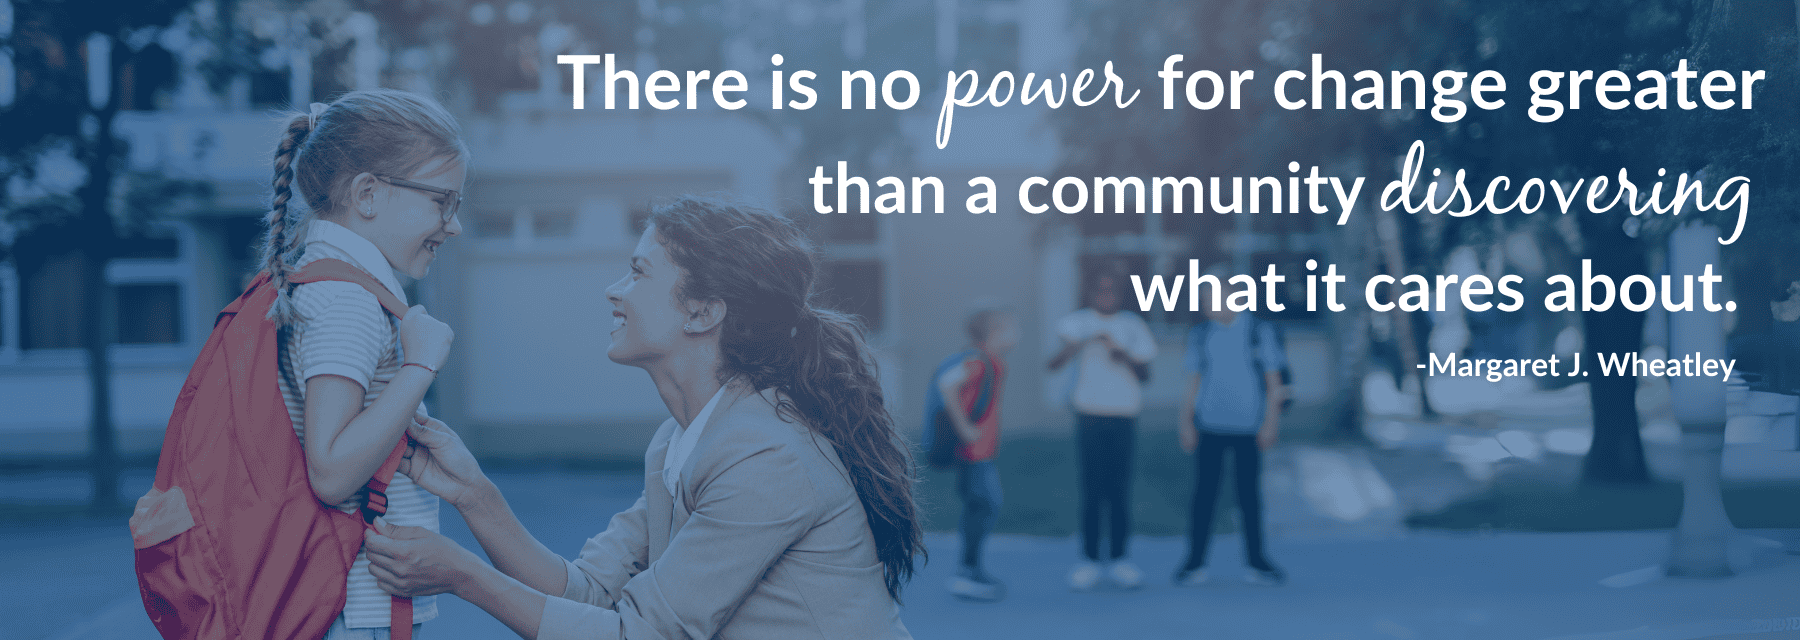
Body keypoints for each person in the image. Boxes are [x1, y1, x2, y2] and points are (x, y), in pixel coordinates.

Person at [361, 198, 922, 640]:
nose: (615, 291)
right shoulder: (683, 441)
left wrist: (463, 576)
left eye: (637, 273)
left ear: (703, 312)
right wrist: (474, 494)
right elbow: (587, 594)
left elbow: (639, 634)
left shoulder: (766, 456)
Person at [263, 89, 466, 639]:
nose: (453, 226)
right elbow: (330, 471)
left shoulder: (323, 281)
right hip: (356, 611)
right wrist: (420, 365)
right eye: (441, 202)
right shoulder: (346, 301)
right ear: (368, 194)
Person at [1048, 266, 1155, 591]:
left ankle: (1121, 559)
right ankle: (1090, 560)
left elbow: (1146, 375)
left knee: (1120, 488)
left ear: (1119, 294)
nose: (1106, 295)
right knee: (1092, 488)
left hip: (1123, 415)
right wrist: (1081, 343)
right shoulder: (1076, 323)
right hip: (1089, 414)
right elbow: (1053, 364)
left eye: (1112, 290)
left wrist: (1123, 355)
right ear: (1092, 293)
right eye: (1100, 289)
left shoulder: (1132, 326)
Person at [1175, 298, 1288, 588]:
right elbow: (1193, 382)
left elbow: (1274, 382)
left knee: (1249, 497)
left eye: (1211, 299)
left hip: (1248, 428)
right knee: (1203, 497)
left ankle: (1257, 561)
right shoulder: (1201, 334)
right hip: (1209, 426)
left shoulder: (1258, 331)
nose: (1206, 306)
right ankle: (1195, 562)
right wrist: (1186, 422)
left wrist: (1270, 423)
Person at [935, 301, 1019, 602]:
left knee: (981, 506)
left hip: (981, 453)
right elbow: (947, 385)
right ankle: (967, 572)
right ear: (993, 333)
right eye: (1011, 329)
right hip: (972, 453)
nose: (1015, 335)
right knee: (984, 505)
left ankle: (971, 570)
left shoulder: (992, 362)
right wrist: (965, 429)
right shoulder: (980, 361)